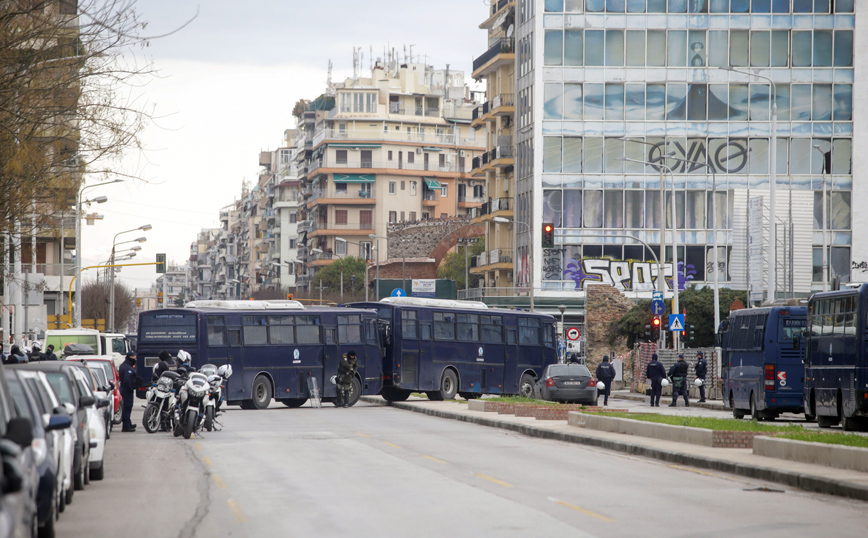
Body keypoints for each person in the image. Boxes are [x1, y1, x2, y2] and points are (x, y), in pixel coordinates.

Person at [119, 352, 138, 431]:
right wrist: (131, 388)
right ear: (130, 357)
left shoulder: (125, 365)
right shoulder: (127, 368)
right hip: (127, 390)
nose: (135, 358)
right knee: (127, 407)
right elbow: (127, 380)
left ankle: (128, 423)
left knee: (128, 407)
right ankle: (126, 426)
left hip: (125, 389)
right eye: (134, 357)